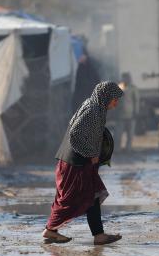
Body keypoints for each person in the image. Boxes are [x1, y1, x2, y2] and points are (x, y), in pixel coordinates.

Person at [43, 81, 124, 245]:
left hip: (79, 162)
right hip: (74, 163)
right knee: (70, 199)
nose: (116, 103)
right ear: (106, 97)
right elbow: (75, 134)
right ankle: (50, 230)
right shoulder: (93, 111)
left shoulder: (95, 107)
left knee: (92, 195)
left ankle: (99, 235)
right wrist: (92, 153)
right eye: (115, 99)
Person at [113, 72, 139, 152]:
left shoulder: (133, 88)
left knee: (130, 134)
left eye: (128, 78)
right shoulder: (119, 87)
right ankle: (117, 149)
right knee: (118, 134)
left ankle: (128, 149)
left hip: (131, 114)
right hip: (120, 115)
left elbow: (136, 101)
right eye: (125, 78)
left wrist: (136, 112)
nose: (127, 79)